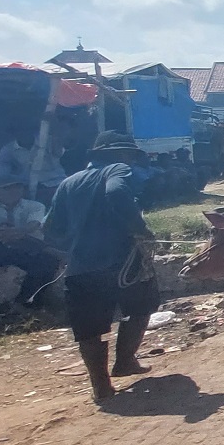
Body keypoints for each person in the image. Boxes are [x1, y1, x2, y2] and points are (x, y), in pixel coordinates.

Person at [44, 132, 160, 405]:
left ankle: (100, 385)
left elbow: (51, 227)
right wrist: (139, 229)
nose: (131, 160)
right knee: (141, 308)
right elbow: (116, 192)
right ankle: (125, 360)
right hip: (119, 262)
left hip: (80, 267)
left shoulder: (67, 183)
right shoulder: (117, 170)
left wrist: (74, 244)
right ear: (118, 154)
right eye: (129, 155)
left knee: (89, 328)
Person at [0, 176, 61, 306]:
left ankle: (25, 303)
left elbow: (34, 224)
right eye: (7, 188)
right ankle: (26, 303)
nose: (13, 191)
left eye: (17, 187)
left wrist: (16, 233)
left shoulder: (35, 206)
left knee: (47, 262)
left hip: (26, 249)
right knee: (40, 253)